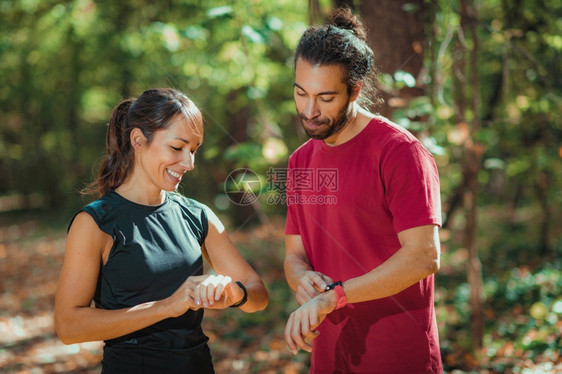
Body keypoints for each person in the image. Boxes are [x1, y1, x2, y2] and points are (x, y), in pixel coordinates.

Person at [55, 88, 269, 373]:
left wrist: (234, 294)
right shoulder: (96, 223)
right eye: (177, 148)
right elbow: (69, 327)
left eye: (193, 150)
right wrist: (166, 306)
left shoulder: (198, 215)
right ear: (138, 140)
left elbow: (258, 294)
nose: (189, 163)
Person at [283, 8, 443, 373]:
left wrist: (334, 297)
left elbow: (423, 256)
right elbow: (294, 254)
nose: (309, 110)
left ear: (354, 90)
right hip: (330, 355)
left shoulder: (400, 153)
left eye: (326, 98)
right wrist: (303, 279)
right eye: (300, 93)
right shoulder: (299, 162)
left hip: (398, 355)